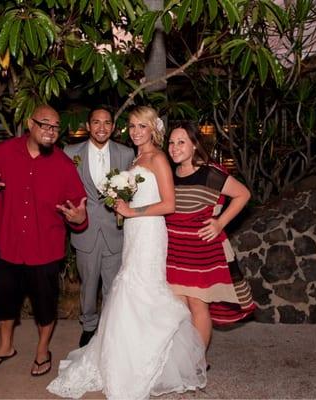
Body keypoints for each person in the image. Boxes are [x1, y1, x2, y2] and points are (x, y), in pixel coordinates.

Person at [47, 106, 206, 399]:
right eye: (132, 126)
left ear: (153, 129)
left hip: (149, 232)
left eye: (142, 126)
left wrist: (132, 210)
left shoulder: (158, 157)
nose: (135, 132)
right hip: (132, 232)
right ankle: (126, 350)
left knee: (143, 289)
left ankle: (146, 358)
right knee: (128, 289)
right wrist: (124, 208)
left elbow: (169, 204)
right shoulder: (136, 158)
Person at [0, 104, 88, 376]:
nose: (51, 131)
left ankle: (42, 350)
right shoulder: (4, 153)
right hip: (9, 246)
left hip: (45, 250)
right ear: (29, 124)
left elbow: (79, 212)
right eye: (45, 124)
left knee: (45, 307)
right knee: (4, 303)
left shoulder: (63, 165)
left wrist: (79, 217)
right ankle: (5, 347)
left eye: (56, 127)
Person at [166, 121, 255, 353]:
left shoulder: (209, 173)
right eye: (171, 142)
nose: (175, 147)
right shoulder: (170, 173)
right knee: (179, 307)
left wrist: (220, 223)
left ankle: (197, 361)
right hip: (174, 249)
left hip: (199, 251)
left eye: (181, 142)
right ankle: (182, 359)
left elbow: (243, 194)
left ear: (195, 145)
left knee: (197, 305)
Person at [63, 106, 135, 347]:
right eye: (96, 122)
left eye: (107, 123)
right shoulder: (71, 152)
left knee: (113, 286)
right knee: (89, 284)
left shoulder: (126, 154)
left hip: (115, 230)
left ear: (113, 127)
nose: (101, 127)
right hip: (85, 231)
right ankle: (89, 326)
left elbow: (133, 190)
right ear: (87, 125)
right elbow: (63, 189)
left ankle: (109, 328)